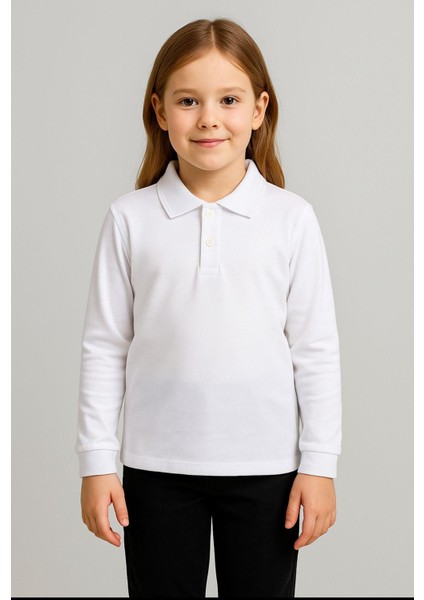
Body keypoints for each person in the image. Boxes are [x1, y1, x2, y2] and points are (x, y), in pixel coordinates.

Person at [75, 17, 342, 598]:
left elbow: (315, 349)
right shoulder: (129, 218)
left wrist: (319, 464)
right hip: (157, 469)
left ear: (259, 109)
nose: (208, 118)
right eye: (188, 100)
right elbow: (105, 346)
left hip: (268, 469)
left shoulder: (291, 219)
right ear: (159, 110)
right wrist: (97, 461)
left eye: (229, 99)